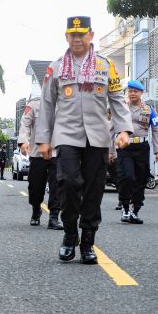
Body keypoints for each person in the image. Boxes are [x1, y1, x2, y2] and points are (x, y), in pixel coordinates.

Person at [35, 16, 131, 264]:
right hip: (66, 135)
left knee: (93, 190)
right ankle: (69, 235)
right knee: (67, 183)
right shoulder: (55, 68)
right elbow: (47, 105)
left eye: (82, 34)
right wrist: (43, 140)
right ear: (66, 37)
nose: (77, 39)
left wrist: (123, 130)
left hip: (98, 136)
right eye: (72, 35)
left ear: (91, 35)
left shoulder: (105, 65)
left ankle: (88, 241)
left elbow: (117, 99)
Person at [118, 80, 158, 224]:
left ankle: (135, 210)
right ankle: (125, 207)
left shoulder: (149, 110)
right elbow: (110, 127)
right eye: (130, 91)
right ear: (127, 93)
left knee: (141, 179)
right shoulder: (121, 108)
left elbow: (156, 130)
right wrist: (108, 150)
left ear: (141, 93)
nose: (132, 93)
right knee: (127, 176)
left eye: (135, 91)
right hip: (124, 147)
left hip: (142, 148)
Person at [17, 94, 63, 229]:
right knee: (35, 186)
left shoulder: (65, 104)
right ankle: (36, 209)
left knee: (57, 185)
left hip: (57, 151)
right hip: (37, 153)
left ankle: (54, 217)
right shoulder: (34, 105)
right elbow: (25, 124)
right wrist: (23, 141)